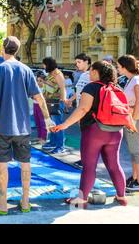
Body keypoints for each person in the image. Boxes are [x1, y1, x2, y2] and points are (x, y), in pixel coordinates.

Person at [0, 36, 54, 215]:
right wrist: (47, 120)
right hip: (23, 127)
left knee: (2, 164)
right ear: (17, 50)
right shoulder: (26, 70)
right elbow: (39, 98)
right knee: (25, 163)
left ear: (3, 48)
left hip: (2, 127)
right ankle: (25, 201)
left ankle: (2, 203)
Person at [52, 61, 128, 207]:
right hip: (116, 131)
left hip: (95, 131)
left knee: (89, 166)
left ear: (95, 71)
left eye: (91, 70)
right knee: (114, 165)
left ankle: (82, 199)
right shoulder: (117, 87)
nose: (89, 73)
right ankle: (121, 196)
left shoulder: (91, 87)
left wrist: (64, 125)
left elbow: (83, 109)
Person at [117, 55, 139, 192]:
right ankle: (135, 178)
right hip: (133, 119)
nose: (117, 69)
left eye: (118, 66)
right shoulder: (133, 79)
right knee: (133, 151)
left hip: (137, 119)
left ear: (125, 67)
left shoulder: (136, 79)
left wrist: (133, 121)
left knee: (137, 151)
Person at [41, 57, 67, 154]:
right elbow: (48, 87)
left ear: (48, 64)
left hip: (56, 102)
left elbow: (62, 87)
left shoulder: (58, 74)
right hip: (48, 101)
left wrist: (63, 100)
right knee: (51, 123)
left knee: (58, 124)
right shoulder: (50, 74)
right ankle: (53, 142)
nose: (43, 66)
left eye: (44, 64)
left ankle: (60, 146)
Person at [33, 71, 48, 144]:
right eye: (37, 81)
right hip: (35, 105)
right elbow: (33, 97)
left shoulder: (45, 89)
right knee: (37, 121)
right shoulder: (36, 88)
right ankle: (39, 136)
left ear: (44, 81)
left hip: (41, 106)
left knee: (43, 123)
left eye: (40, 81)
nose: (38, 82)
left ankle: (44, 138)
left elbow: (44, 98)